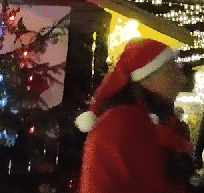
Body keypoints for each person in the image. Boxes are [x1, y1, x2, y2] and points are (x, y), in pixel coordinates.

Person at [77, 38, 193, 193]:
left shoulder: (156, 119)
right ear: (147, 79)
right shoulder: (119, 124)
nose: (181, 79)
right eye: (171, 72)